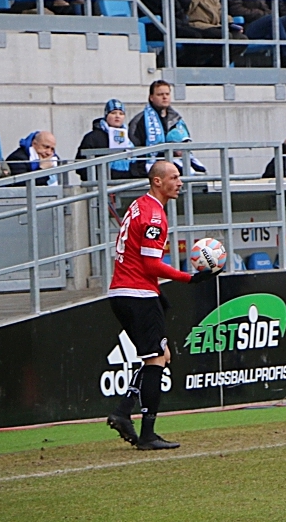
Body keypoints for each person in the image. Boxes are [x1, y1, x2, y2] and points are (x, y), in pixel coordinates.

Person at [105, 161, 217, 450]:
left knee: (161, 355)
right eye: (174, 177)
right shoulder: (155, 216)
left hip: (125, 292)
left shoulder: (140, 205)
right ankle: (147, 434)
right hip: (137, 294)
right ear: (157, 181)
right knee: (156, 359)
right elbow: (150, 263)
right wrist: (190, 278)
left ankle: (122, 411)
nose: (180, 182)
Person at [75, 99, 137, 180]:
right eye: (113, 113)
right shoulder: (92, 137)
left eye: (121, 113)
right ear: (106, 115)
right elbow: (81, 166)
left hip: (128, 182)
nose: (117, 116)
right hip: (101, 184)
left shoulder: (129, 137)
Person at [129, 80, 190, 149]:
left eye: (167, 94)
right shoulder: (139, 120)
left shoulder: (177, 119)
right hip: (153, 158)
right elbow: (135, 148)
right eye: (160, 94)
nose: (164, 97)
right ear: (151, 97)